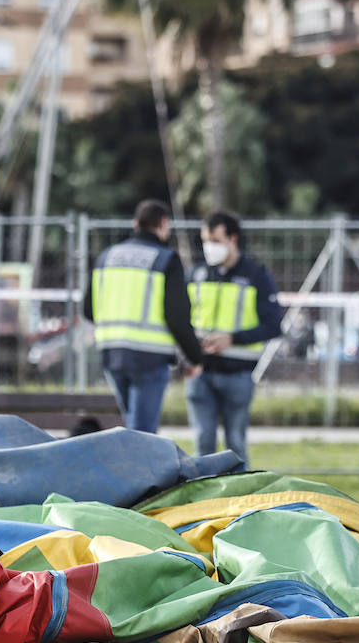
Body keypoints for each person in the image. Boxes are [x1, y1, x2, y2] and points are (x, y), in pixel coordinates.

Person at [82, 199, 205, 434]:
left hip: (112, 353)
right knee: (142, 433)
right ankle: (137, 471)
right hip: (150, 357)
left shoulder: (107, 257)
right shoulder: (165, 259)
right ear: (163, 224)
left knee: (132, 428)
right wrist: (195, 357)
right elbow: (176, 316)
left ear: (135, 224)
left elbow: (88, 309)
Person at [185, 210, 283, 464]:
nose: (209, 248)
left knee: (236, 444)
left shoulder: (256, 276)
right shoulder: (196, 275)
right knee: (202, 443)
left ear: (233, 239)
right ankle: (205, 501)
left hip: (238, 374)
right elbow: (181, 321)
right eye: (205, 241)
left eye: (215, 241)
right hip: (200, 373)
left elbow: (273, 326)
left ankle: (240, 500)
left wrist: (233, 338)